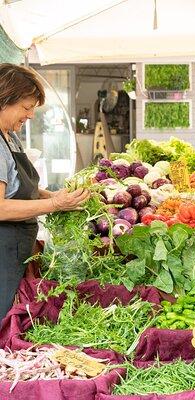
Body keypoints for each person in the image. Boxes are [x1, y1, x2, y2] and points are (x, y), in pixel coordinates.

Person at [0, 63, 90, 321]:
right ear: (4, 100)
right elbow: (1, 207)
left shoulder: (10, 136)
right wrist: (55, 205)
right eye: (26, 108)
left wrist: (53, 196)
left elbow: (17, 186)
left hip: (17, 249)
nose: (30, 116)